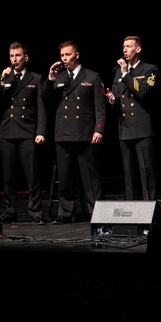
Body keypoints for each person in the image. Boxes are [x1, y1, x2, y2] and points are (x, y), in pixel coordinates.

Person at [45, 40, 107, 223]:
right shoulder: (59, 77)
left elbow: (100, 106)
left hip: (85, 133)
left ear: (77, 55)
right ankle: (66, 212)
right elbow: (45, 98)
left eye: (68, 54)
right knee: (65, 177)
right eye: (62, 55)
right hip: (63, 133)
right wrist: (50, 78)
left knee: (90, 178)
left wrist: (99, 129)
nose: (64, 59)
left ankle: (96, 211)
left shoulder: (92, 76)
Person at [0, 42, 47, 224]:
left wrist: (41, 131)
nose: (14, 60)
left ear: (25, 58)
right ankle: (10, 210)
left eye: (18, 56)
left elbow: (41, 108)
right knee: (9, 177)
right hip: (8, 132)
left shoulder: (36, 79)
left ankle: (35, 211)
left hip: (28, 131)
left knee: (32, 175)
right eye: (12, 56)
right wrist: (2, 81)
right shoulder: (5, 77)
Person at [104, 36, 159, 201]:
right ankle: (131, 206)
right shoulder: (120, 70)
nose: (124, 50)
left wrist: (126, 74)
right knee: (128, 172)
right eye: (123, 47)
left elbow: (142, 91)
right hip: (125, 126)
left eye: (128, 46)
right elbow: (119, 95)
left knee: (146, 170)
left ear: (138, 49)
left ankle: (150, 208)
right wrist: (112, 100)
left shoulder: (149, 69)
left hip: (141, 127)